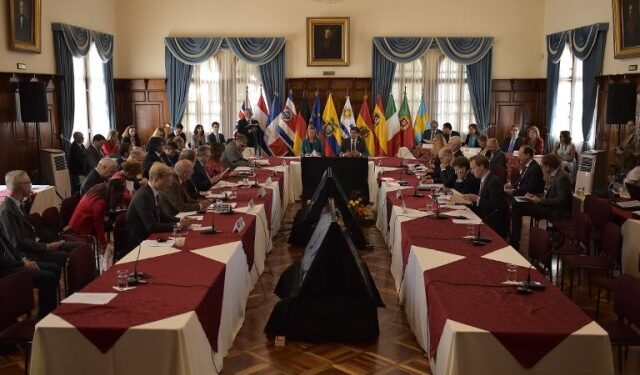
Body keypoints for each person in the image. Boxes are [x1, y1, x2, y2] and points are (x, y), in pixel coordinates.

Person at [0, 171, 79, 267]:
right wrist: (47, 247)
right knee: (67, 256)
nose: (31, 185)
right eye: (29, 183)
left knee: (79, 247)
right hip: (31, 253)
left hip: (40, 244)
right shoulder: (6, 210)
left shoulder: (18, 204)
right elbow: (17, 243)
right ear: (22, 186)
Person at [509, 154, 571, 250]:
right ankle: (514, 242)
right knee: (516, 208)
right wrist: (535, 196)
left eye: (543, 165)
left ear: (549, 166)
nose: (542, 167)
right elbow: (549, 194)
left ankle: (514, 241)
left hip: (553, 211)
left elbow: (561, 200)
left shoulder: (562, 177)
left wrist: (540, 200)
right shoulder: (556, 175)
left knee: (516, 205)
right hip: (547, 206)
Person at [125, 163, 194, 250]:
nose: (170, 184)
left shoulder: (153, 192)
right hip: (140, 242)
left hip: (151, 236)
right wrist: (178, 224)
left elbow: (162, 216)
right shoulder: (144, 196)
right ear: (156, 180)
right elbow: (151, 226)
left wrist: (181, 220)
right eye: (167, 181)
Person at [0, 231, 60, 320]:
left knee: (55, 268)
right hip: (6, 270)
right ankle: (44, 317)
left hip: (15, 263)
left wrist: (24, 259)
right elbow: (2, 262)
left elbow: (11, 248)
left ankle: (51, 311)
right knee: (48, 277)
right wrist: (22, 264)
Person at [69, 178, 127, 251]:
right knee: (113, 224)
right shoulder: (100, 202)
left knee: (112, 222)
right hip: (82, 225)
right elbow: (99, 225)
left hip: (82, 220)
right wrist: (103, 244)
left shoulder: (102, 187)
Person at [463, 155, 507, 237]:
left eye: (473, 168)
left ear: (482, 166)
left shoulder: (494, 182)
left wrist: (477, 198)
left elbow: (495, 206)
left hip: (492, 222)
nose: (471, 171)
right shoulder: (483, 178)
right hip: (483, 215)